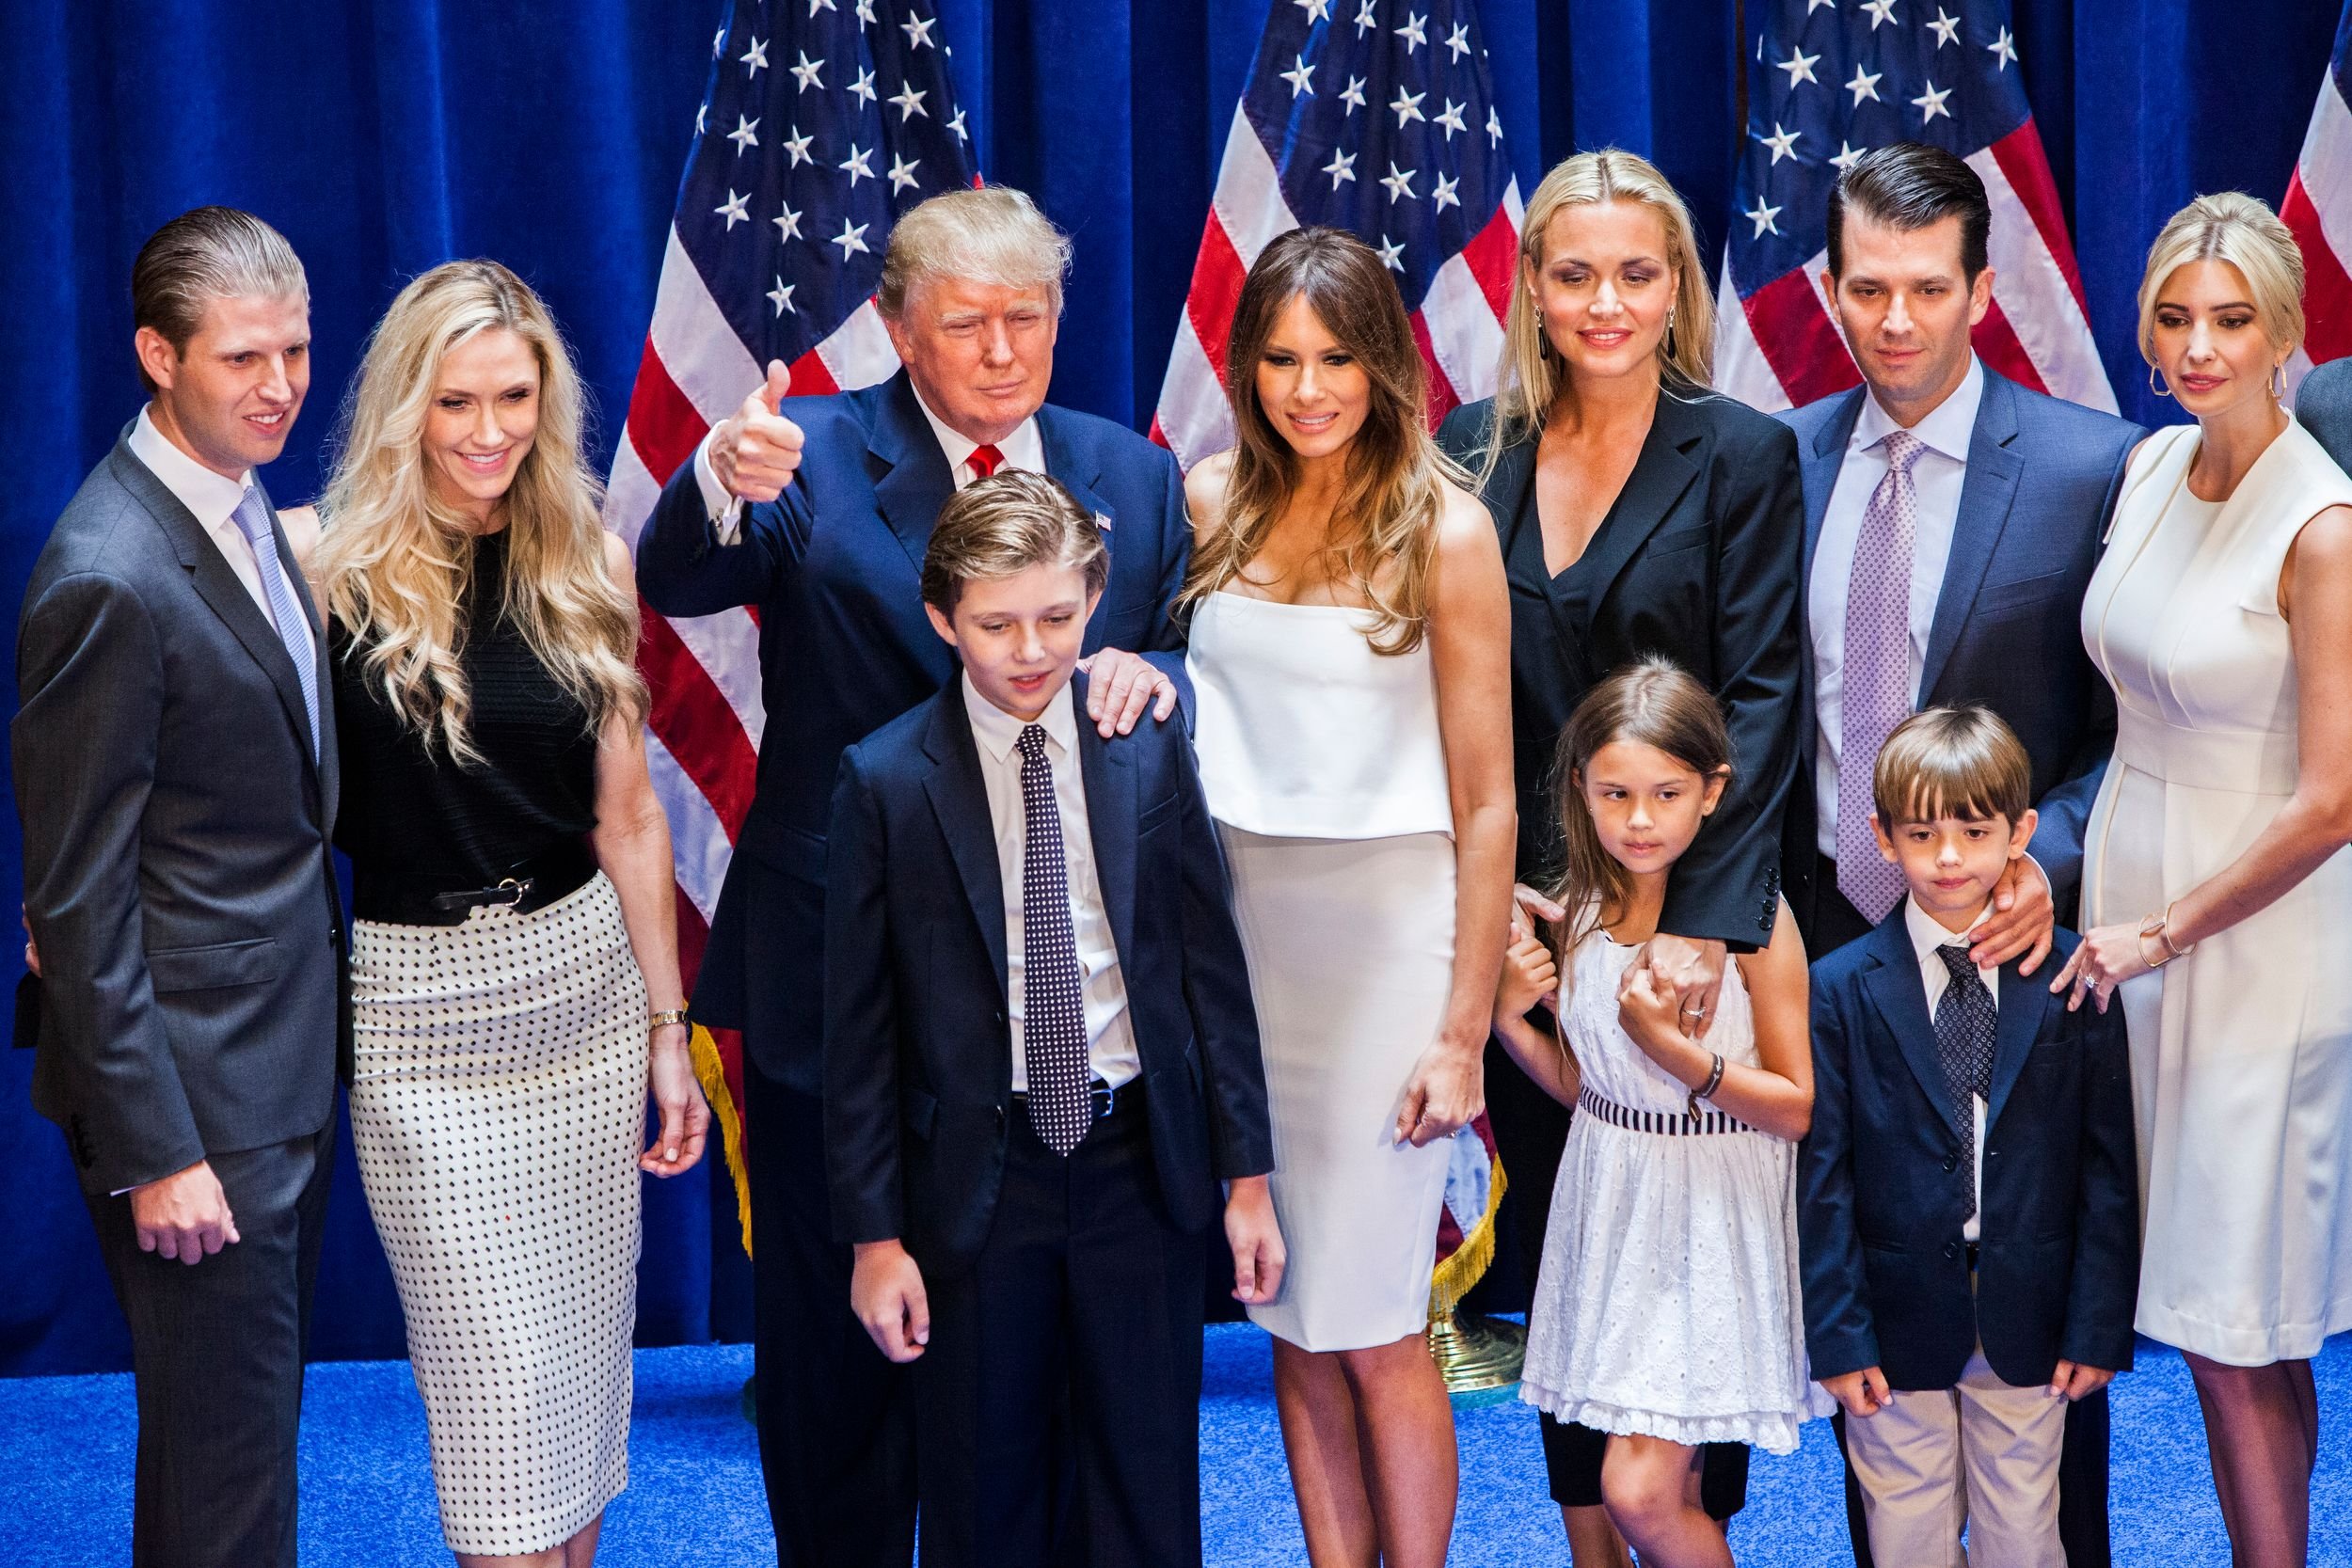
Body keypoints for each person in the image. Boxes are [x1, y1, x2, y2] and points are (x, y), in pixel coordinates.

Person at [632, 183, 1189, 1565]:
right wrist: (716, 482)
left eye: (1029, 318)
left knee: (1042, 1366)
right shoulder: (806, 453)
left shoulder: (1129, 470)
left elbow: (1178, 655)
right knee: (844, 1356)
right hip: (848, 982)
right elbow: (684, 579)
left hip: (1063, 1000)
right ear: (895, 325)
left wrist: (1152, 669)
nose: (1003, 350)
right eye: (967, 322)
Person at [309, 259, 709, 1566]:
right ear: (403, 405)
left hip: (582, 994)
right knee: (489, 1393)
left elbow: (630, 815)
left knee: (580, 1384)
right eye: (456, 401)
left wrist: (667, 1027)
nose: (489, 431)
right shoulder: (322, 565)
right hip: (417, 1016)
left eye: (516, 398)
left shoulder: (586, 555)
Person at [1433, 148, 1804, 1559]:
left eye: (1634, 273)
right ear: (1531, 286)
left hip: (1692, 924)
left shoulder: (1746, 451)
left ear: (1677, 290)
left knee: (1686, 1274)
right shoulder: (1470, 448)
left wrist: (1701, 920)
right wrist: (1497, 929)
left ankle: (1691, 1526)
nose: (1604, 301)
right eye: (1573, 272)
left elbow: (1767, 690)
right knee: (1568, 1262)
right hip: (1532, 931)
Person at [1776, 142, 2141, 1568]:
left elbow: (2139, 733)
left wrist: (2048, 851)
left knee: (2039, 1323)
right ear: (1831, 285)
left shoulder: (2085, 466)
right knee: (1885, 1313)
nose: (1896, 320)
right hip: (1841, 956)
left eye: (1929, 288)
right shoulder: (1782, 457)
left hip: (2021, 949)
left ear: (1983, 290)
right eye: (1868, 287)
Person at [823, 470, 1281, 1567]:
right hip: (980, 1182)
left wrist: (1248, 1178)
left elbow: (1208, 971)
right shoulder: (885, 779)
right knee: (987, 1491)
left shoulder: (1145, 737)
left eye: (1057, 617)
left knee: (1147, 1477)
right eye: (994, 623)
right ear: (941, 618)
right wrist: (875, 1237)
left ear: (1095, 596)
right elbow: (860, 1033)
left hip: (1138, 1163)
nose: (1029, 649)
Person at [1181, 225, 1514, 1568]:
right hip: (1245, 940)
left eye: (1334, 358)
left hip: (1390, 947)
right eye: (1278, 357)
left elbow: (1488, 800)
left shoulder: (1449, 527)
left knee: (1374, 1317)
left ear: (1385, 364)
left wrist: (1461, 1028)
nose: (1305, 387)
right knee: (1289, 1310)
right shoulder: (1211, 499)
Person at [13, 207, 341, 1568]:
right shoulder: (109, 575)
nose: (280, 386)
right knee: (229, 1486)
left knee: (226, 1452)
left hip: (266, 1069)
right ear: (158, 353)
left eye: (299, 352)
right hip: (197, 1108)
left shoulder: (233, 499)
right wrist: (158, 1148)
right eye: (243, 360)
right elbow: (75, 901)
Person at [2057, 192, 2352, 1568]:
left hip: (2254, 941)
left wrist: (2158, 931)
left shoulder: (2325, 522)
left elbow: (2336, 798)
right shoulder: (2151, 466)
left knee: (2237, 1325)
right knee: (2238, 1316)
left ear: (2287, 329)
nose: (2199, 344)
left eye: (2231, 319)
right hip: (2136, 905)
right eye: (2175, 317)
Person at [1495, 659, 1823, 1568]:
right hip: (1611, 1209)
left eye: (1667, 792)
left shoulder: (1754, 920)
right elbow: (1591, 1090)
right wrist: (1503, 1019)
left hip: (1708, 1217)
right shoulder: (1592, 903)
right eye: (1616, 792)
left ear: (1714, 791)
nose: (1640, 818)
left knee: (1636, 1491)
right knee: (1664, 1488)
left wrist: (1679, 1051)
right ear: (1580, 789)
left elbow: (1795, 1108)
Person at [1802, 706, 2137, 1568]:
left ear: (2021, 832)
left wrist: (2098, 1325)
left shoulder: (2071, 978)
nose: (1948, 856)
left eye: (1974, 830)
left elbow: (2107, 1169)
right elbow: (1823, 1177)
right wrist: (1838, 1337)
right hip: (1895, 1321)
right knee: (1905, 1535)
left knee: (2024, 1537)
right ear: (1880, 837)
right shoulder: (1838, 989)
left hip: (2030, 1314)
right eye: (1921, 832)